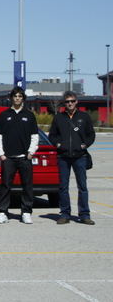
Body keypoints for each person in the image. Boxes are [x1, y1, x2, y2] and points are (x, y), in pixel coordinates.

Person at [49, 91, 96, 225]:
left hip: (79, 156)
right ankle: (64, 214)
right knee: (63, 187)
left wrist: (85, 145)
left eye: (72, 101)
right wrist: (58, 144)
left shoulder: (84, 117)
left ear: (76, 102)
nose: (70, 103)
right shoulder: (59, 117)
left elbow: (91, 134)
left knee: (82, 187)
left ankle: (84, 214)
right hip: (63, 157)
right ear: (64, 103)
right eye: (67, 101)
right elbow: (52, 135)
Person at [0, 87, 39, 225]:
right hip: (8, 158)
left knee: (27, 186)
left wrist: (31, 152)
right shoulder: (4, 115)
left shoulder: (29, 115)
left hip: (25, 158)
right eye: (15, 96)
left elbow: (35, 136)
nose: (17, 98)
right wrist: (1, 154)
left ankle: (26, 212)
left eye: (20, 96)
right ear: (11, 98)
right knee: (5, 185)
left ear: (23, 98)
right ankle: (2, 213)